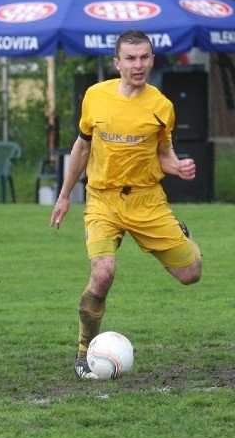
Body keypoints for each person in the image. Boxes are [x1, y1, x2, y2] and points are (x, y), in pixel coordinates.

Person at [50, 30, 202, 380]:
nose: (138, 65)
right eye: (130, 59)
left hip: (148, 201)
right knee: (103, 273)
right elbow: (82, 147)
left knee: (191, 275)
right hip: (103, 199)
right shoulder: (95, 97)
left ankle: (183, 237)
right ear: (117, 63)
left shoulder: (162, 106)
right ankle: (84, 352)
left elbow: (164, 155)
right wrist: (64, 196)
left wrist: (177, 167)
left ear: (152, 59)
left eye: (144, 57)